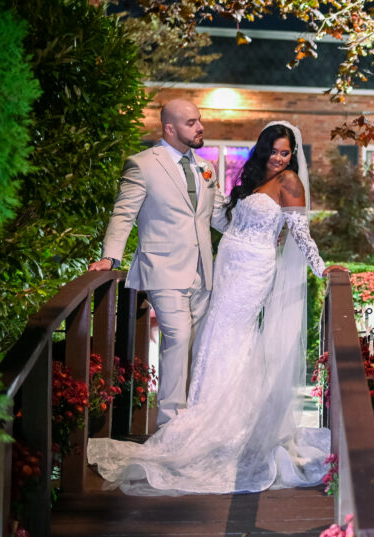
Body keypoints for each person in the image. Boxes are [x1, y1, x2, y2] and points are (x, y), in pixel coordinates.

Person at [87, 121, 337, 494]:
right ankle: (208, 409)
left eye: (285, 153)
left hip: (253, 269)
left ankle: (229, 424)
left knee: (234, 333)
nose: (278, 158)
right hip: (228, 263)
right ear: (263, 150)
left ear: (292, 155)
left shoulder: (290, 182)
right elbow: (228, 219)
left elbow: (300, 232)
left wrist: (321, 267)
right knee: (216, 333)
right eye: (273, 151)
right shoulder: (255, 179)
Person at [89, 99, 223, 428]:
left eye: (199, 120)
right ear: (169, 128)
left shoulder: (206, 167)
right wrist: (110, 257)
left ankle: (194, 418)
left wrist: (257, 231)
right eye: (192, 122)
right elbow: (124, 213)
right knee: (177, 337)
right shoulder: (142, 164)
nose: (200, 127)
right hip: (162, 267)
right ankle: (170, 423)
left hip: (203, 270)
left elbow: (218, 215)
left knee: (197, 344)